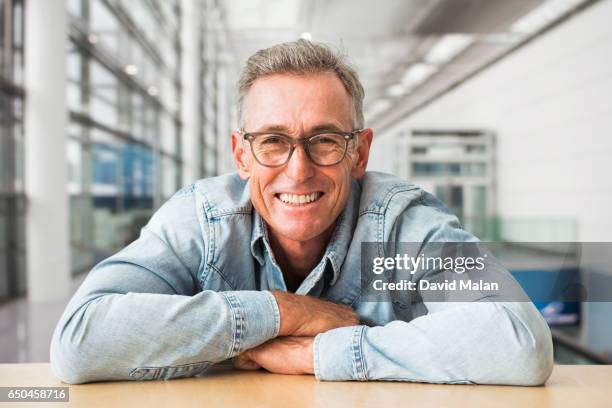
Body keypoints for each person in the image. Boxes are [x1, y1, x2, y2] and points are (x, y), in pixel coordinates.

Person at [50, 39, 553, 385]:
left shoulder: (404, 227)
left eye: (325, 140)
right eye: (273, 142)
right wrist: (282, 312)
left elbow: (517, 342)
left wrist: (318, 353)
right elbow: (81, 340)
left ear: (360, 152)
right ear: (241, 154)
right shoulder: (202, 221)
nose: (298, 171)